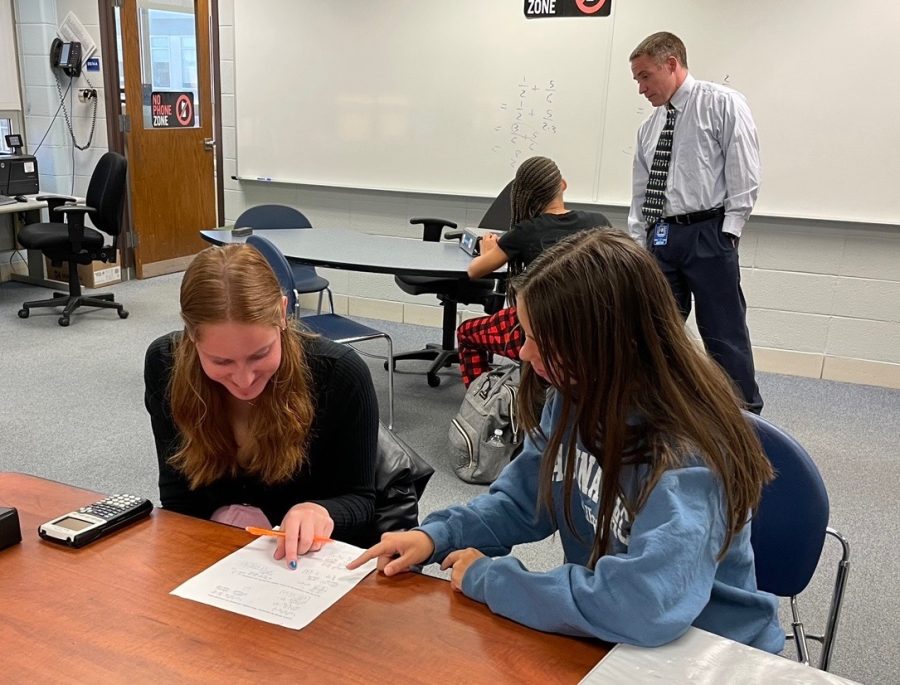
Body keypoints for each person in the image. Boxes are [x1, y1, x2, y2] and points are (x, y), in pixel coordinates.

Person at [349, 230, 784, 653]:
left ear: (606, 347)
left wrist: (492, 579)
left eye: (542, 342)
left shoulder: (689, 451)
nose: (523, 354)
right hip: (617, 631)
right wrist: (435, 537)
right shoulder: (574, 396)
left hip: (710, 651)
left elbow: (643, 605)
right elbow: (522, 502)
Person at [144, 244, 378, 569]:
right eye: (221, 361)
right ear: (192, 337)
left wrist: (320, 512)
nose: (244, 379)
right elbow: (178, 500)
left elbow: (362, 500)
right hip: (222, 563)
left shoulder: (338, 374)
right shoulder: (165, 364)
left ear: (282, 314)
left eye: (259, 354)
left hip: (309, 567)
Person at [627, 31, 764, 414]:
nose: (641, 88)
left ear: (671, 64)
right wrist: (641, 240)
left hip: (709, 232)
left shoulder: (721, 104)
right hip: (662, 237)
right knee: (654, 331)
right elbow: (640, 191)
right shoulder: (648, 128)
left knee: (723, 331)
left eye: (645, 76)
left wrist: (729, 231)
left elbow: (744, 170)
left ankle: (744, 417)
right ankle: (658, 411)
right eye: (637, 79)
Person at [456, 156, 610, 387]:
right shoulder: (599, 222)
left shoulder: (525, 232)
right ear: (563, 185)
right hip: (594, 329)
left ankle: (481, 401)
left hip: (538, 328)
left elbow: (474, 271)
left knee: (467, 333)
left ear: (522, 196)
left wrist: (487, 250)